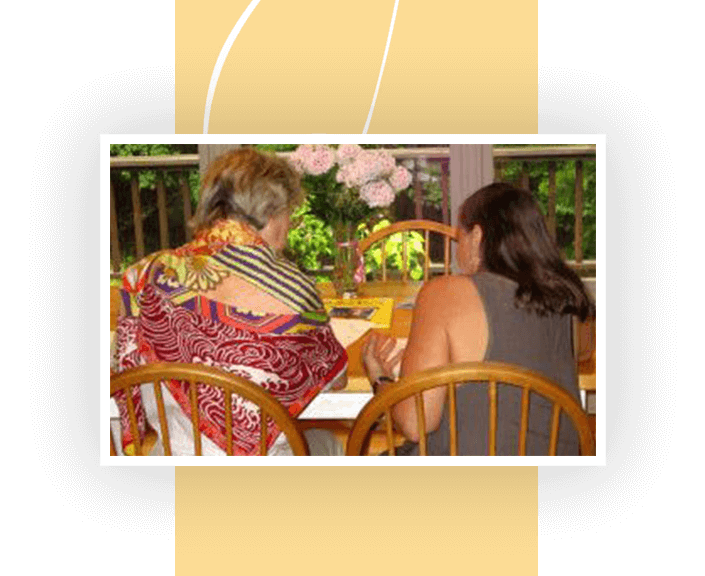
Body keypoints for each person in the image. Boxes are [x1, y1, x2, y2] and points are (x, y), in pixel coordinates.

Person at [112, 148, 348, 456]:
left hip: (174, 460)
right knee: (328, 443)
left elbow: (122, 367)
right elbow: (337, 379)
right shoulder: (295, 291)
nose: (289, 226)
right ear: (270, 212)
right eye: (289, 211)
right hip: (262, 477)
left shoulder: (143, 277)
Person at [362, 182, 595, 455]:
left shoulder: (445, 292)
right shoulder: (568, 296)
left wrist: (382, 381)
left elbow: (415, 424)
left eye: (459, 236)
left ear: (477, 237)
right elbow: (582, 353)